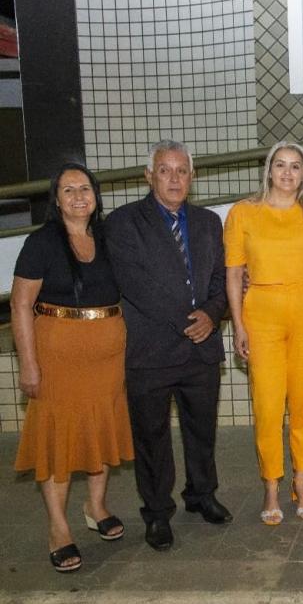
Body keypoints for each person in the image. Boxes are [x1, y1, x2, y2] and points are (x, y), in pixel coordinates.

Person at [107, 140, 232, 551]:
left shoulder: (209, 222)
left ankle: (201, 495)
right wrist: (187, 320)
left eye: (182, 171)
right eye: (165, 170)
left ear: (192, 177)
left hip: (201, 350)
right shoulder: (123, 223)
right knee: (151, 436)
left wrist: (212, 315)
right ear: (149, 176)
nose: (174, 178)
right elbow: (133, 283)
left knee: (202, 429)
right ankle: (158, 513)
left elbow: (221, 280)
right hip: (151, 352)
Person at [12, 164, 133, 572]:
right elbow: (20, 305)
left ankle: (96, 506)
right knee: (59, 440)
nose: (79, 195)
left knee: (100, 429)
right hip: (57, 359)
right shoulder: (41, 242)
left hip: (107, 358)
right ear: (56, 199)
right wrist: (28, 363)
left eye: (85, 188)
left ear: (96, 195)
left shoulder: (108, 236)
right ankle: (59, 528)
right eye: (68, 190)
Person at [225, 141, 303, 525]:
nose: (287, 174)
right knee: (269, 406)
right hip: (261, 315)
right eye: (280, 166)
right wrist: (238, 324)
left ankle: (301, 480)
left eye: (295, 166)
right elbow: (234, 273)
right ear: (268, 171)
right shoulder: (242, 214)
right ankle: (272, 485)